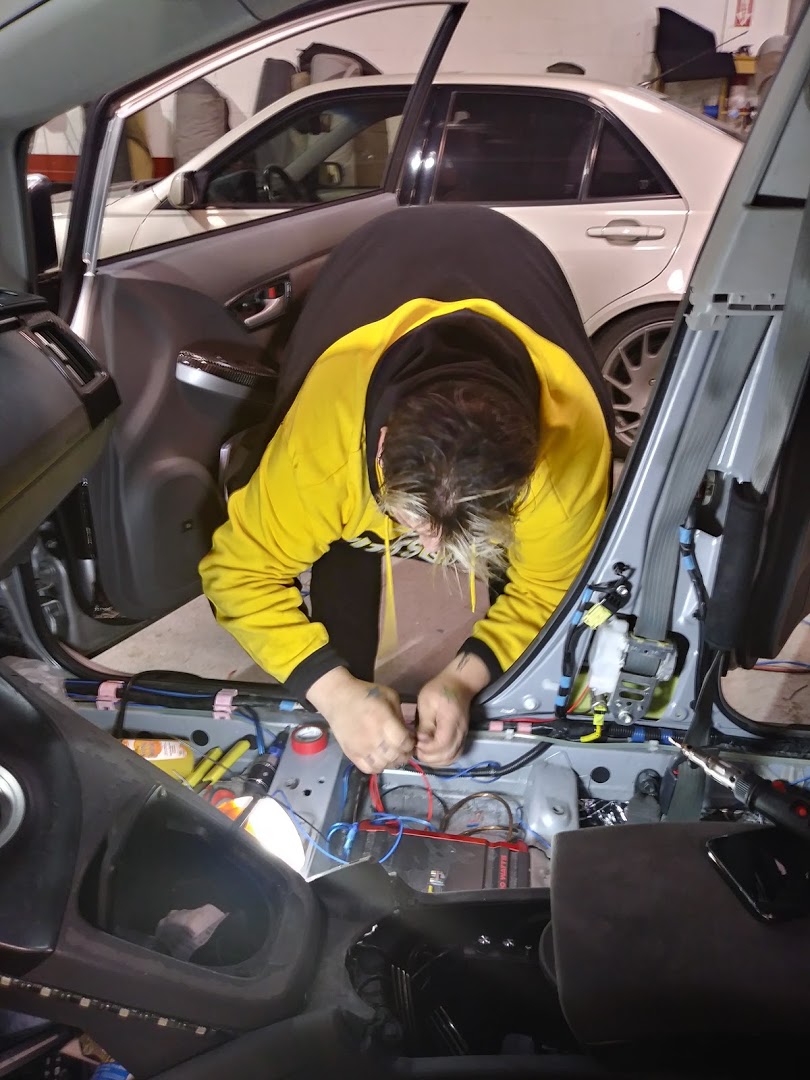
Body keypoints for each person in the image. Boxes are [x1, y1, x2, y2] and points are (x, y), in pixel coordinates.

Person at [199, 205, 612, 774]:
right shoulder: (321, 448)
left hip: (515, 262)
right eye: (414, 524)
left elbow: (551, 590)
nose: (433, 552)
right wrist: (334, 691)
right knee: (347, 577)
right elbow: (239, 575)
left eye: (462, 538)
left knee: (519, 607)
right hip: (374, 263)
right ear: (379, 444)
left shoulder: (567, 461)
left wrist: (466, 679)